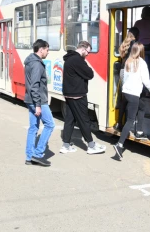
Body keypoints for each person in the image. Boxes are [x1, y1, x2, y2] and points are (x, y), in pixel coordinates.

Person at [60, 41, 106, 155]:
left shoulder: (69, 58)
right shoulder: (77, 60)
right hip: (77, 95)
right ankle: (91, 145)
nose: (88, 54)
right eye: (88, 52)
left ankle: (66, 145)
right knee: (83, 119)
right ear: (83, 49)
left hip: (69, 94)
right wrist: (86, 66)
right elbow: (90, 74)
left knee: (70, 119)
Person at [113, 42, 150, 160]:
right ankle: (119, 145)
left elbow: (124, 78)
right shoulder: (142, 63)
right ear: (141, 51)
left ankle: (139, 131)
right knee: (130, 121)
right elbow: (145, 80)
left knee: (142, 106)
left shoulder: (128, 61)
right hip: (134, 94)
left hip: (126, 93)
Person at [23, 39, 55, 167]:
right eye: (47, 49)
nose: (48, 52)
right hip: (38, 100)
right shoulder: (37, 64)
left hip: (30, 99)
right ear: (41, 49)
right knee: (50, 125)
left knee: (33, 128)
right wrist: (38, 105)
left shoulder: (30, 61)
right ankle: (38, 154)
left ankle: (29, 156)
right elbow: (35, 85)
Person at [115, 27, 139, 129]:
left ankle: (119, 122)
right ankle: (129, 123)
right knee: (132, 97)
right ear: (137, 35)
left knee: (123, 98)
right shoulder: (135, 44)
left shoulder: (124, 44)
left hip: (122, 71)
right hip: (130, 72)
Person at [134, 6, 150, 83]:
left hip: (141, 48)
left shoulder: (138, 23)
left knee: (142, 69)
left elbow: (134, 35)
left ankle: (144, 89)